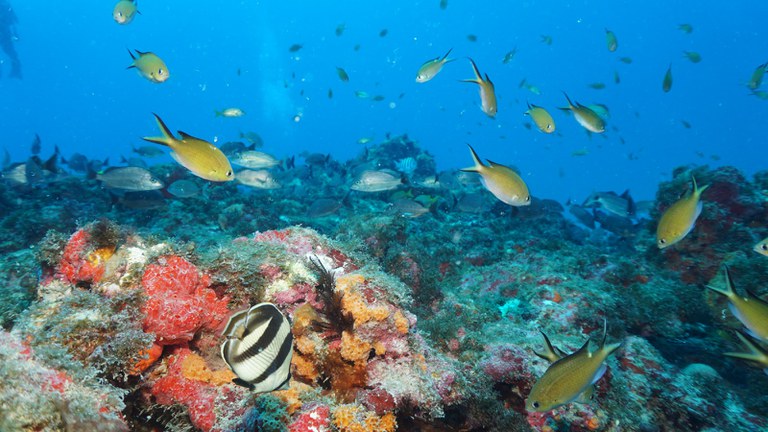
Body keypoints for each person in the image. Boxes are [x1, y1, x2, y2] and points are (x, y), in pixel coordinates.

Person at [0, 0, 21, 79]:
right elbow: (13, 20)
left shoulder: (4, 4)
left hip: (5, 32)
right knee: (10, 51)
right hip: (5, 32)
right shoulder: (5, 4)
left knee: (9, 50)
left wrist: (15, 33)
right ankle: (16, 68)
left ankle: (16, 69)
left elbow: (12, 19)